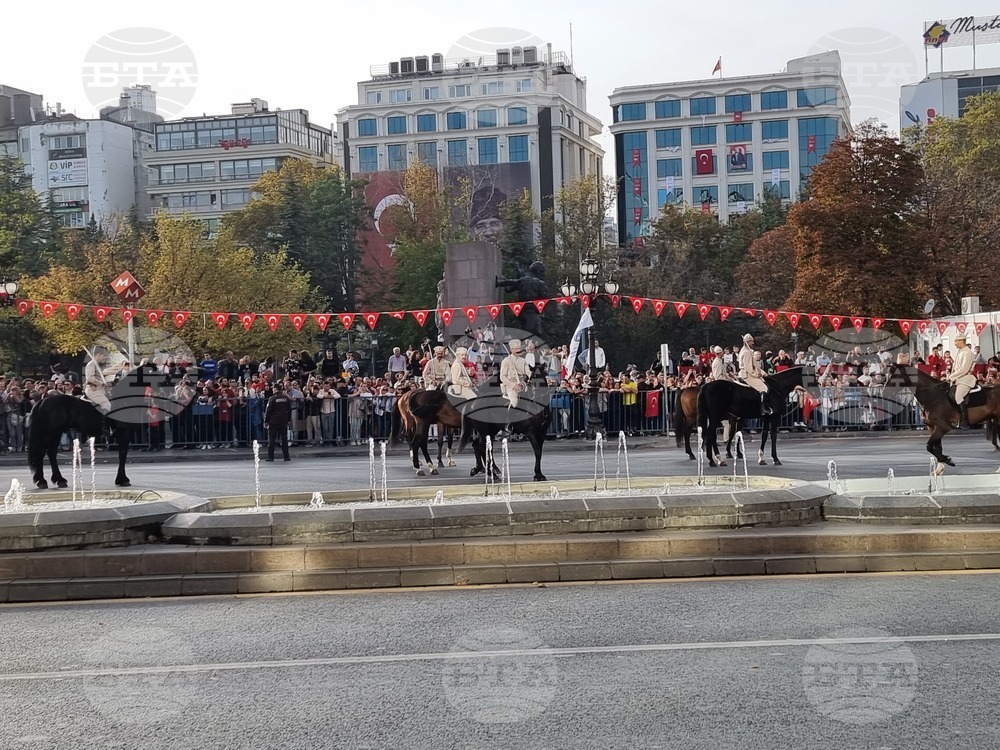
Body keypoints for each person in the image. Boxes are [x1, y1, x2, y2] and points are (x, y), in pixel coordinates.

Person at [948, 334, 977, 429]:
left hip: (965, 379)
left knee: (958, 396)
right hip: (958, 379)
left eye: (956, 341)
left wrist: (951, 377)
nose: (955, 343)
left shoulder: (967, 353)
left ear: (961, 341)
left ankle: (965, 421)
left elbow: (964, 369)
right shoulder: (960, 352)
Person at [738, 333, 770, 415]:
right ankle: (763, 409)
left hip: (749, 373)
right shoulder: (746, 352)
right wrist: (757, 375)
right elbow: (749, 368)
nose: (753, 343)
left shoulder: (747, 351)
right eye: (751, 342)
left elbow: (755, 365)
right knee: (764, 388)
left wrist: (762, 373)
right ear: (748, 342)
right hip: (747, 375)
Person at [500, 339, 533, 410]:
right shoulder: (506, 361)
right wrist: (513, 385)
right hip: (511, 387)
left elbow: (529, 373)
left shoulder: (523, 361)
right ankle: (509, 420)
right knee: (514, 402)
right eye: (516, 349)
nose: (518, 350)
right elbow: (502, 377)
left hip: (523, 385)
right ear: (511, 349)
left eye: (519, 348)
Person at [263, 382, 291, 461]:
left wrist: (266, 421)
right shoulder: (286, 398)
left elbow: (268, 411)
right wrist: (288, 420)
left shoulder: (272, 398)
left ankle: (270, 457)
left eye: (273, 388)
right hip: (283, 421)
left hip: (273, 422)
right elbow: (289, 410)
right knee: (284, 440)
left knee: (271, 440)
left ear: (275, 389)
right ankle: (286, 456)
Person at [84, 346, 113, 414]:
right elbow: (90, 378)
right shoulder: (91, 364)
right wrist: (102, 383)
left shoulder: (96, 364)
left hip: (99, 390)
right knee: (106, 404)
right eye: (104, 355)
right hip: (93, 391)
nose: (105, 357)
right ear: (98, 355)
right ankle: (103, 423)